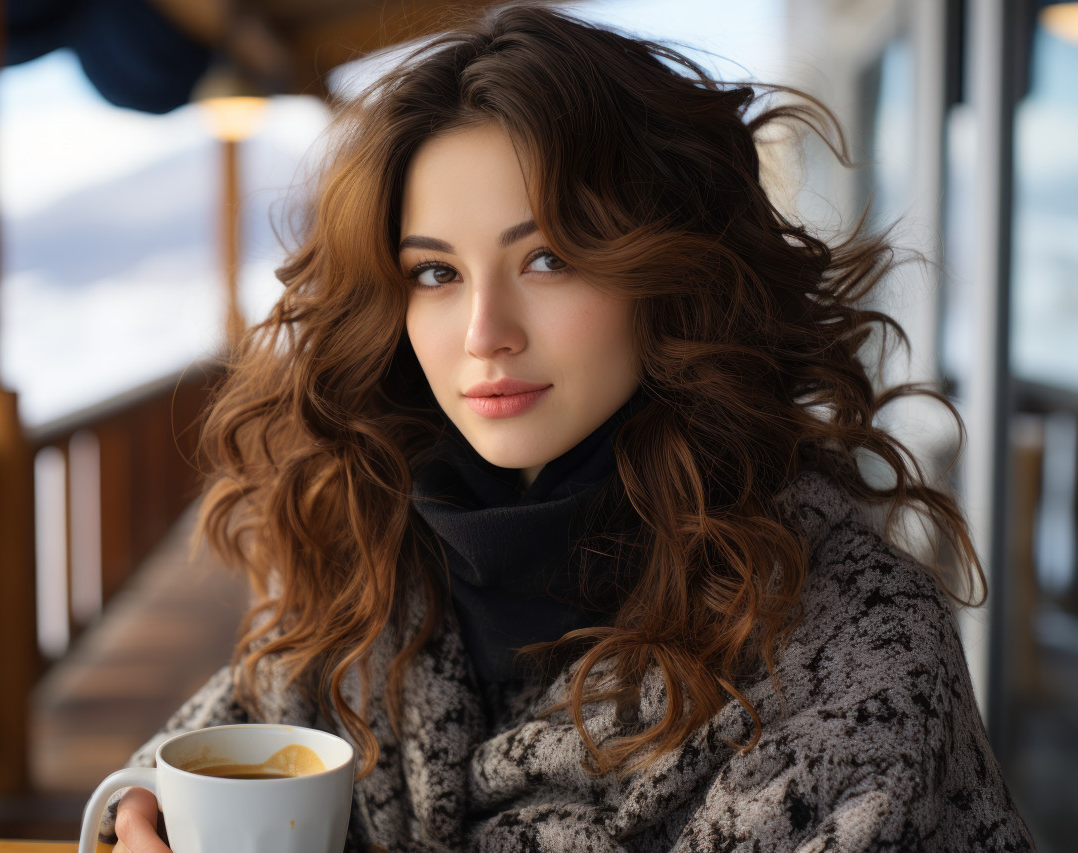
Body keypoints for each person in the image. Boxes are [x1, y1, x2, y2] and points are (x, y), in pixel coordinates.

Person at [103, 3, 1034, 850]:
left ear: (667, 274)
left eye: (547, 257)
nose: (484, 334)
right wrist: (137, 812)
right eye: (435, 273)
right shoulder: (372, 561)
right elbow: (193, 755)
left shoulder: (850, 637)